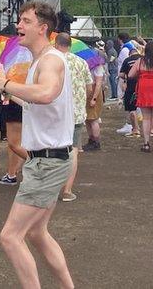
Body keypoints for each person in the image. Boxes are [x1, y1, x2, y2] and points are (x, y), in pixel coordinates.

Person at [0, 2, 75, 289]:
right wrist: (9, 92)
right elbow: (42, 101)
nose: (18, 26)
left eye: (25, 21)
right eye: (19, 20)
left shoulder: (49, 61)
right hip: (49, 160)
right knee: (36, 233)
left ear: (42, 28)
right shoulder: (42, 60)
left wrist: (7, 84)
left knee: (10, 236)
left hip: (47, 163)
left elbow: (46, 93)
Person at [56, 33, 91, 202]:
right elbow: (89, 86)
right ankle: (67, 190)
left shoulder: (51, 61)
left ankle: (52, 187)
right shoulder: (81, 62)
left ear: (56, 44)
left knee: (53, 150)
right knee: (73, 151)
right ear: (70, 44)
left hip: (55, 113)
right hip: (76, 113)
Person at [117, 45, 143, 137]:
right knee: (148, 109)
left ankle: (136, 129)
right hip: (144, 86)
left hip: (132, 87)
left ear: (129, 54)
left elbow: (121, 74)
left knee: (132, 108)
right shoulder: (144, 59)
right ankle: (151, 130)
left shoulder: (127, 60)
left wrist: (125, 79)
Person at [83, 47, 106, 152]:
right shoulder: (88, 65)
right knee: (88, 118)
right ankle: (91, 139)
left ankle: (96, 141)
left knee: (93, 119)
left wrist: (94, 98)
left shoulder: (97, 67)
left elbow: (99, 83)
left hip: (93, 92)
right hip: (88, 91)